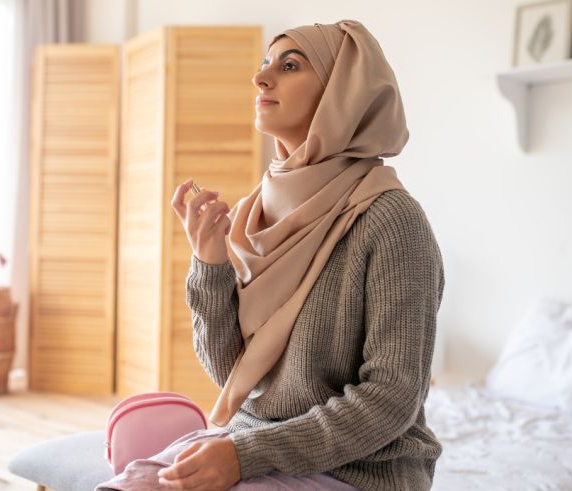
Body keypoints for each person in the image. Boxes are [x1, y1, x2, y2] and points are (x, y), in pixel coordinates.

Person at [95, 19, 444, 491]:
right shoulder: (254, 213)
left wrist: (246, 454)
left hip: (361, 472)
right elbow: (233, 375)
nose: (261, 78)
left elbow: (390, 397)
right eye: (265, 64)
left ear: (341, 91)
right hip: (255, 443)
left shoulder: (391, 220)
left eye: (290, 65)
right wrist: (210, 264)